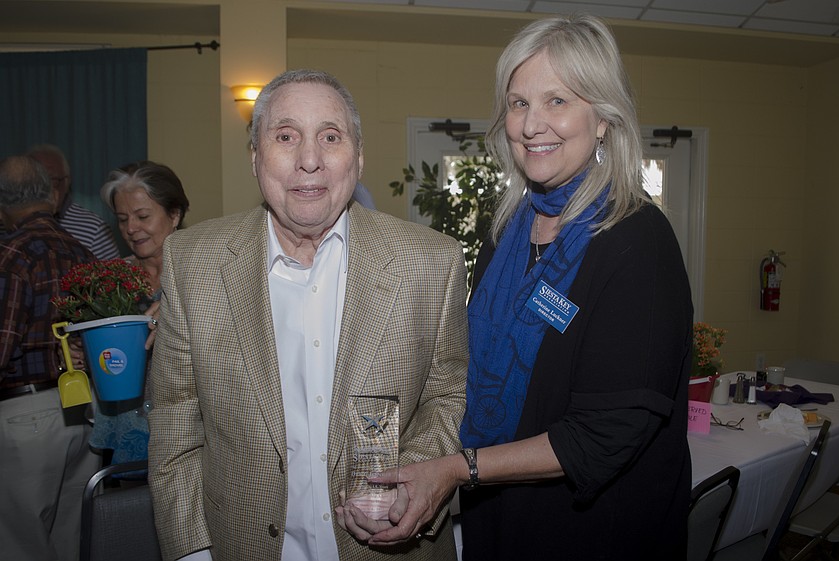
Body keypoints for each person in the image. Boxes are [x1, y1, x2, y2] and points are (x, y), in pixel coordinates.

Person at [345, 15, 694, 560]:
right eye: (518, 102)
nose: (532, 125)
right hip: (501, 522)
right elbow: (465, 363)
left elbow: (603, 436)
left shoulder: (636, 242)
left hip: (597, 535)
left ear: (603, 118)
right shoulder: (508, 230)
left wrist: (458, 470)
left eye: (558, 101)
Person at [147, 69, 468, 561]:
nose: (310, 160)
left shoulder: (430, 262)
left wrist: (419, 475)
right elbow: (175, 425)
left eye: (330, 137)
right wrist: (193, 552)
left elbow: (448, 393)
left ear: (357, 159)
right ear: (255, 157)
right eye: (286, 136)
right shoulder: (193, 263)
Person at [0, 155, 100, 561]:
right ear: (52, 196)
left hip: (25, 414)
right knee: (71, 538)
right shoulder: (83, 252)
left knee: (19, 544)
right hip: (83, 409)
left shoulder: (11, 254)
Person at [84, 160, 189, 465]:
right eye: (122, 219)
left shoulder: (198, 276)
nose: (131, 229)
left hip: (185, 435)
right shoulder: (111, 281)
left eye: (143, 216)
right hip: (124, 433)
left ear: (174, 214)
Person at [27, 143, 121, 260]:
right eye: (35, 181)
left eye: (52, 180)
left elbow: (113, 276)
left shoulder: (94, 229)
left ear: (67, 181)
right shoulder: (10, 225)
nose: (43, 189)